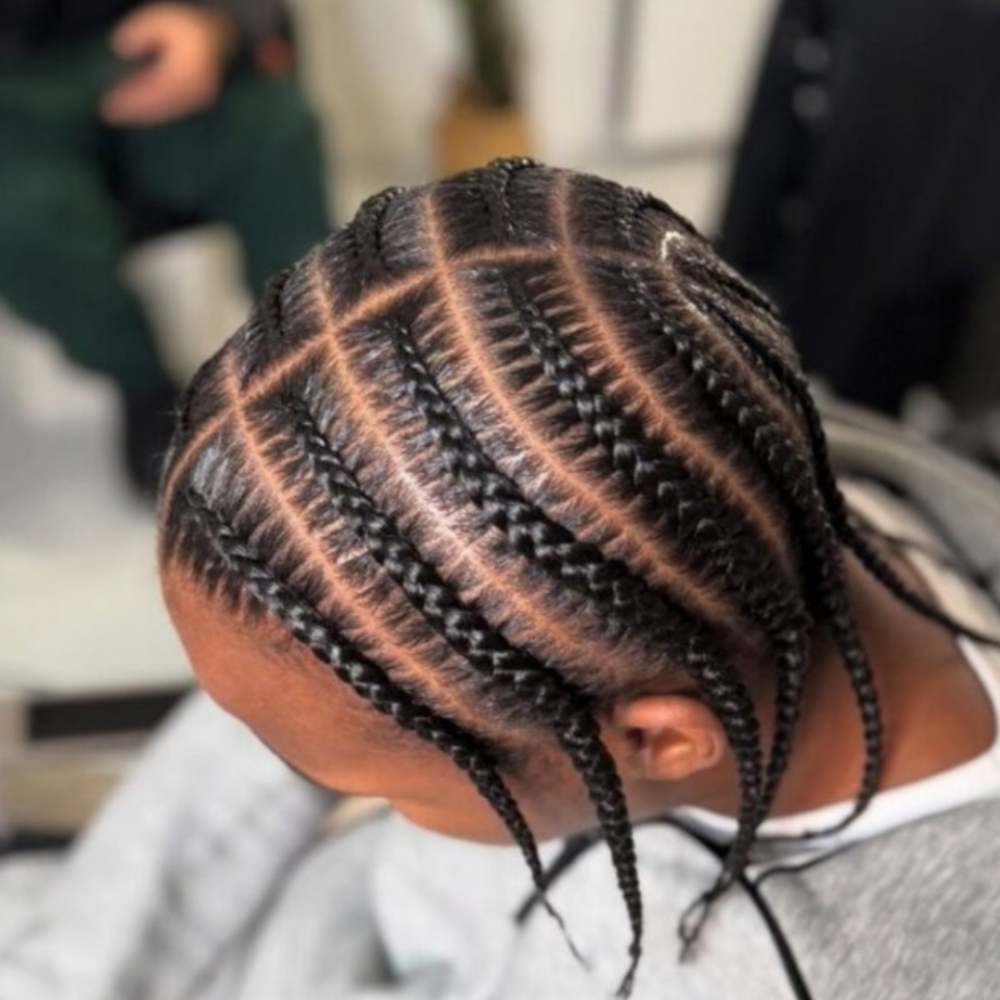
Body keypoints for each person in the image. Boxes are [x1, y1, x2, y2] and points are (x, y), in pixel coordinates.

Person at [4, 161, 1000, 999]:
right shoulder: (719, 458)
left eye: (380, 788)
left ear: (656, 740)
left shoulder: (746, 972)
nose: (291, 763)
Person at [0, 0, 330, 493]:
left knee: (274, 125)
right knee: (24, 215)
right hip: (17, 101)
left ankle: (315, 365)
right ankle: (146, 393)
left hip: (144, 45)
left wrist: (217, 24)